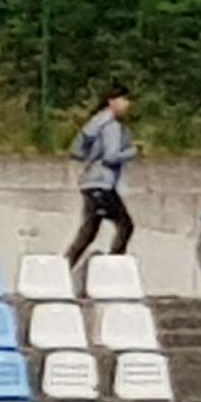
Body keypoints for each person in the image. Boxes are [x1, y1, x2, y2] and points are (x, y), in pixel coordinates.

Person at [69, 87, 139, 269]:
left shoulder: (96, 123)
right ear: (111, 101)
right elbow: (111, 156)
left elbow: (78, 152)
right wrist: (133, 151)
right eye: (124, 100)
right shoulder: (111, 126)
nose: (127, 104)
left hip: (91, 183)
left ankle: (64, 267)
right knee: (125, 225)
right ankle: (113, 267)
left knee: (89, 232)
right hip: (102, 184)